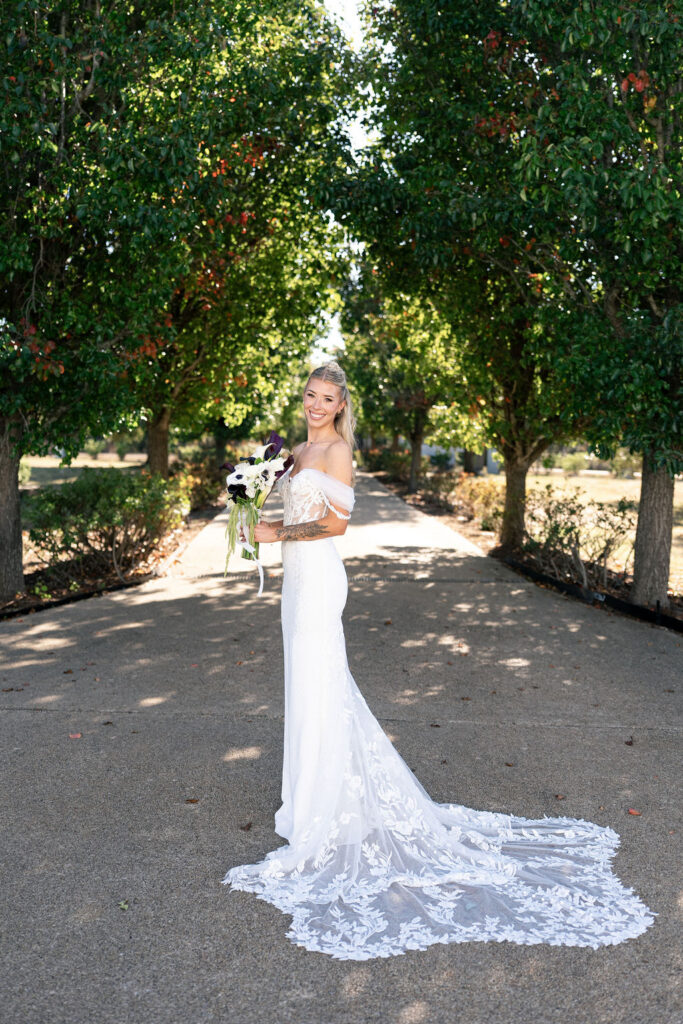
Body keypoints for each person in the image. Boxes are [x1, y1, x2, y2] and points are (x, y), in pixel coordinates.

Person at [221, 361, 654, 961]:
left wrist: (276, 537)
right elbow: (289, 509)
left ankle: (327, 808)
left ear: (342, 404)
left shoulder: (339, 453)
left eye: (327, 398)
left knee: (323, 680)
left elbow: (335, 525)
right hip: (296, 580)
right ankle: (305, 800)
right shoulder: (294, 449)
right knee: (306, 683)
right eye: (310, 395)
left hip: (319, 578)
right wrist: (252, 506)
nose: (317, 405)